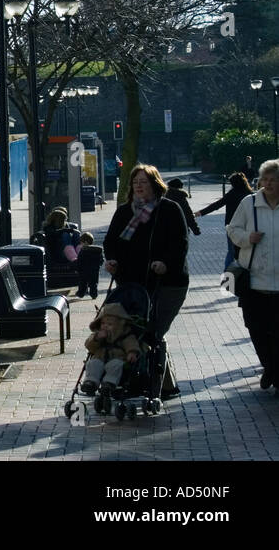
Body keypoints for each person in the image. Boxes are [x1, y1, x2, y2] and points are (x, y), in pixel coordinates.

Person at [102, 164, 189, 398]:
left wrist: (166, 263)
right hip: (133, 284)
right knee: (143, 332)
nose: (139, 186)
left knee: (152, 332)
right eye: (136, 182)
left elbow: (180, 242)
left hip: (168, 283)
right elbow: (111, 242)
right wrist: (111, 261)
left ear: (155, 184)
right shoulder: (124, 212)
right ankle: (166, 386)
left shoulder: (169, 209)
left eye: (144, 182)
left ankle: (150, 387)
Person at [227, 159, 279, 391]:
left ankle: (275, 373)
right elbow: (232, 229)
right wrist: (247, 237)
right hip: (254, 282)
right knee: (257, 330)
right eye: (264, 179)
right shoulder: (249, 203)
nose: (267, 184)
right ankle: (270, 367)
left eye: (273, 180)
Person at [79, 302, 142, 405]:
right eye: (103, 324)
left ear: (119, 325)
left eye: (109, 324)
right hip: (100, 358)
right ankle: (90, 382)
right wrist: (97, 338)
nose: (105, 327)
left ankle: (108, 384)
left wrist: (132, 352)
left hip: (118, 358)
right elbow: (89, 345)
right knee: (92, 363)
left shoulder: (125, 335)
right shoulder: (98, 334)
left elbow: (131, 344)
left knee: (115, 365)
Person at [197, 172, 253, 271]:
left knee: (231, 253)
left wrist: (201, 213)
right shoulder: (250, 194)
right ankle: (245, 275)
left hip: (231, 227)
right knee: (246, 251)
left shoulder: (232, 194)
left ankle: (227, 279)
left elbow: (217, 205)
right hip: (247, 227)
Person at [75, 232, 105, 299]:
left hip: (84, 271)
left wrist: (77, 269)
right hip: (94, 271)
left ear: (85, 242)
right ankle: (94, 295)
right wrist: (98, 266)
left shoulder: (83, 251)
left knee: (82, 283)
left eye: (81, 242)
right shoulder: (98, 250)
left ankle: (81, 294)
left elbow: (79, 261)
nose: (81, 244)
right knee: (93, 284)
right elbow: (101, 260)